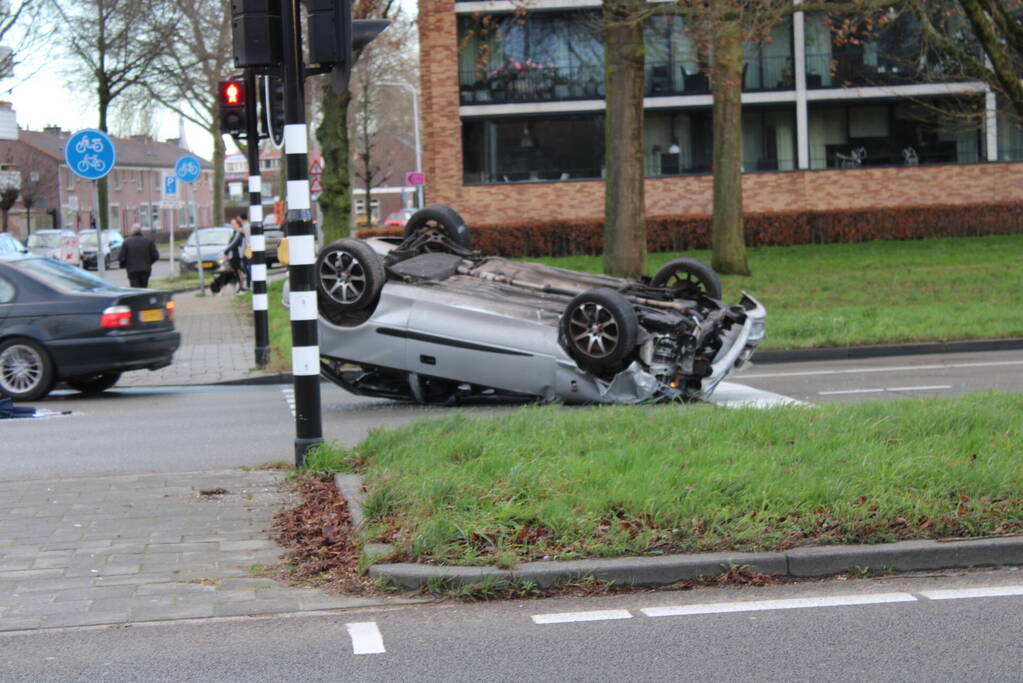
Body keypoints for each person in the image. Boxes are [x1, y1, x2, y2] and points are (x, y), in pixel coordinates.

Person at [224, 218, 248, 294]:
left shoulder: (238, 233)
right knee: (238, 271)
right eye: (231, 223)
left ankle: (241, 288)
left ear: (238, 224)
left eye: (233, 223)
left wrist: (226, 251)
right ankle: (240, 287)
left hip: (237, 255)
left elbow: (234, 243)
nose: (232, 225)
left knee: (238, 271)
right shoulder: (235, 232)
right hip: (234, 255)